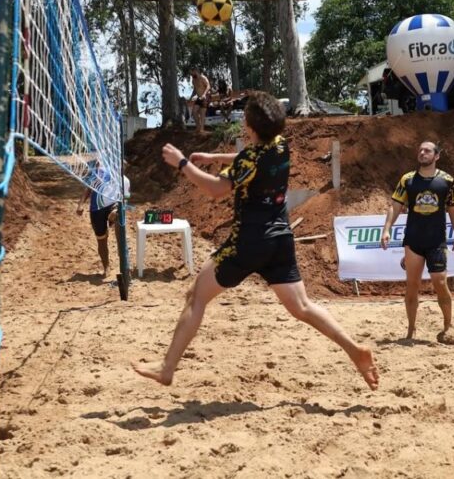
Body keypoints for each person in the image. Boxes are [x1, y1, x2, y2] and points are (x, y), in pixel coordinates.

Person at [133, 91, 379, 389]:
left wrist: (183, 163)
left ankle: (166, 368)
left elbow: (214, 189)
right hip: (280, 238)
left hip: (248, 242)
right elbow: (248, 160)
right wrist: (214, 157)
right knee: (302, 306)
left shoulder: (251, 157)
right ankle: (355, 350)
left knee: (196, 297)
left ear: (249, 127)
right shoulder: (281, 145)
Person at [380, 141, 454, 343]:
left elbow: (453, 209)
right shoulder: (407, 180)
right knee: (412, 285)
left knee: (440, 283)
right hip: (413, 241)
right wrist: (386, 229)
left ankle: (448, 326)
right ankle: (411, 330)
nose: (422, 153)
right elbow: (396, 206)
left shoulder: (447, 181)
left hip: (436, 242)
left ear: (437, 156)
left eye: (427, 151)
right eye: (420, 150)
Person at [76, 159, 130, 278]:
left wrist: (119, 210)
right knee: (101, 239)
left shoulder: (125, 181)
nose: (120, 170)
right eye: (118, 167)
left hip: (113, 206)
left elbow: (125, 200)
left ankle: (124, 265)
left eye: (123, 169)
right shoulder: (100, 174)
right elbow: (88, 189)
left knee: (119, 222)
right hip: (97, 210)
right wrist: (80, 205)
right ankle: (106, 267)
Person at [186, 67, 211, 132]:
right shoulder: (193, 80)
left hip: (206, 96)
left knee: (202, 113)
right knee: (194, 112)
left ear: (195, 71)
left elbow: (208, 86)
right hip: (199, 97)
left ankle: (202, 129)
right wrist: (191, 98)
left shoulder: (203, 77)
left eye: (191, 73)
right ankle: (198, 126)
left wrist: (204, 94)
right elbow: (195, 90)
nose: (191, 74)